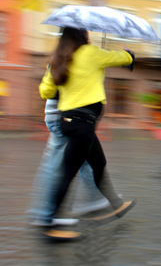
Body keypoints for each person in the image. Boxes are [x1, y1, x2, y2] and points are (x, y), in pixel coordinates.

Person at [39, 27, 136, 238]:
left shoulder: (58, 59)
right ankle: (49, 225)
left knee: (99, 164)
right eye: (86, 35)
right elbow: (121, 57)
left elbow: (45, 91)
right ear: (82, 37)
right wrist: (128, 53)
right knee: (68, 173)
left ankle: (116, 204)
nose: (89, 37)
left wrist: (61, 83)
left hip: (73, 123)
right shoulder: (90, 53)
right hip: (82, 126)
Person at [27, 96, 118, 227]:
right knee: (58, 168)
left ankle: (92, 201)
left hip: (68, 117)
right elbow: (49, 89)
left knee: (83, 162)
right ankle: (45, 214)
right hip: (63, 117)